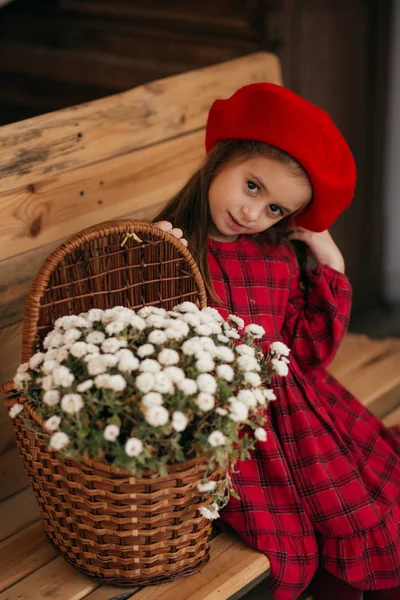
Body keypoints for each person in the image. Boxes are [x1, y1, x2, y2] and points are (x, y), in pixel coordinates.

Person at [152, 82, 400, 600]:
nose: (253, 214)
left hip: (296, 410)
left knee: (368, 500)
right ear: (222, 159)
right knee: (295, 537)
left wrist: (331, 266)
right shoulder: (168, 248)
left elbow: (308, 354)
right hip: (231, 428)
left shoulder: (273, 257)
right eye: (253, 187)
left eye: (275, 211)